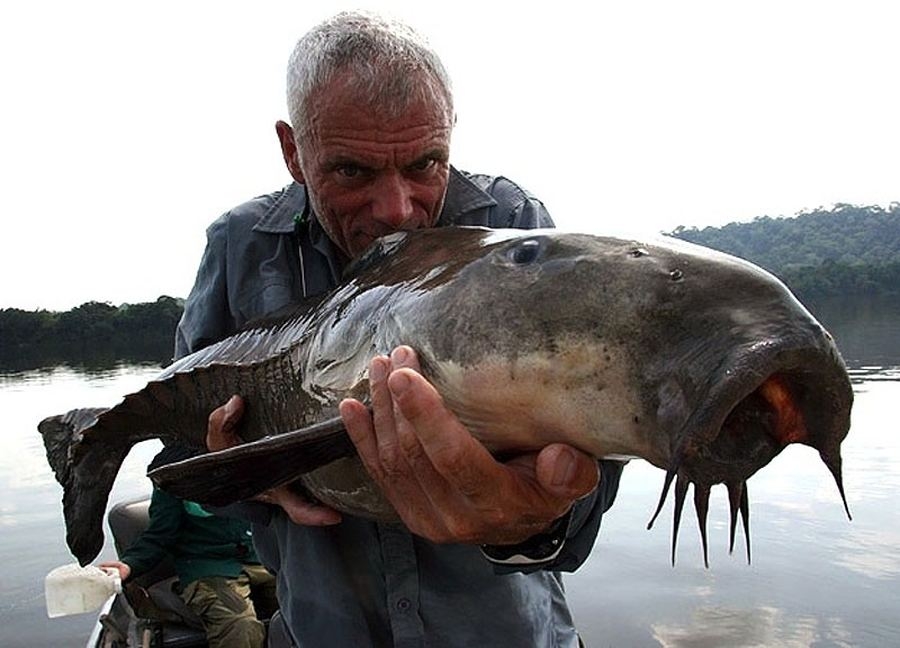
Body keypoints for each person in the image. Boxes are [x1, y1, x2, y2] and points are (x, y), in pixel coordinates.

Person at [176, 10, 625, 647]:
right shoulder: (239, 247)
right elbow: (183, 442)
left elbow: (591, 479)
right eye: (353, 172)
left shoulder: (513, 227)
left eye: (425, 163)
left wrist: (535, 518)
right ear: (292, 150)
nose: (398, 210)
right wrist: (250, 481)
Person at [100, 445, 278, 648]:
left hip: (262, 559)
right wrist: (129, 565)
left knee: (311, 605)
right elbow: (159, 534)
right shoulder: (171, 471)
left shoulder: (252, 453)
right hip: (209, 568)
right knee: (239, 626)